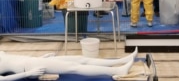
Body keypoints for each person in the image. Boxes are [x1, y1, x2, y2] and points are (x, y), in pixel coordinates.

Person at [0, 47, 137, 81]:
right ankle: (118, 71)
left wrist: (41, 57)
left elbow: (14, 58)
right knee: (74, 68)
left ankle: (120, 61)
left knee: (80, 59)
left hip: (32, 61)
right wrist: (28, 73)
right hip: (29, 67)